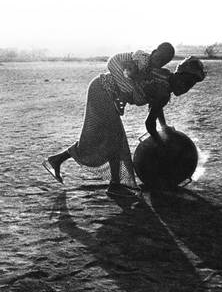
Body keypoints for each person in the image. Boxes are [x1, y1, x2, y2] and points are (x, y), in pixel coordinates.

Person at [43, 46, 206, 197]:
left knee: (99, 139)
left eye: (190, 85)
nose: (185, 87)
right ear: (178, 74)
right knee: (115, 139)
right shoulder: (163, 87)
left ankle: (56, 160)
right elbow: (150, 123)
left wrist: (163, 127)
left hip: (101, 87)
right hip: (104, 91)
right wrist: (161, 145)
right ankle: (115, 184)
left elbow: (155, 107)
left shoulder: (164, 77)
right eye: (185, 81)